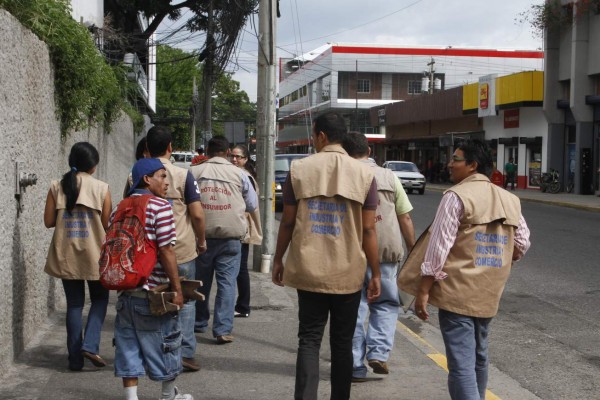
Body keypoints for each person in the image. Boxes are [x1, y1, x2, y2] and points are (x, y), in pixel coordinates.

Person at [404, 139, 531, 400]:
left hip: (456, 292)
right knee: (479, 357)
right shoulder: (510, 200)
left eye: (456, 159)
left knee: (461, 363)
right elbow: (521, 243)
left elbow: (440, 245)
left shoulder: (456, 196)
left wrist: (424, 290)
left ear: (472, 165)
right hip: (489, 292)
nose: (450, 164)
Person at [272, 112, 382, 400]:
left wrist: (277, 259)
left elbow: (287, 221)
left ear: (321, 136)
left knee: (308, 339)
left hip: (309, 269)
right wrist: (376, 272)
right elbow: (369, 229)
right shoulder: (365, 174)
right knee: (343, 343)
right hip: (348, 272)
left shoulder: (299, 169)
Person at [113, 158, 192, 400]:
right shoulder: (160, 207)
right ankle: (168, 396)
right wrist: (177, 288)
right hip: (153, 292)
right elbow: (166, 250)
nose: (167, 182)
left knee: (127, 345)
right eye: (161, 176)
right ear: (146, 179)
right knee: (167, 341)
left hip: (126, 293)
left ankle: (131, 397)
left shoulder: (121, 206)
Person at [342, 132, 416, 381]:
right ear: (370, 152)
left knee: (354, 308)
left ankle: (355, 366)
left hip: (350, 253)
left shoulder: (343, 176)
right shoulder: (388, 176)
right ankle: (379, 354)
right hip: (386, 253)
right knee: (385, 304)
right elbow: (404, 216)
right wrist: (413, 249)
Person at [44, 142, 112, 371]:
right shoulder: (102, 188)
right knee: (100, 300)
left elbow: (48, 222)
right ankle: (90, 345)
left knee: (74, 304)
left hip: (66, 253)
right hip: (96, 254)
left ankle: (74, 359)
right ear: (93, 166)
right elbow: (107, 225)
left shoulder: (56, 186)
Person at [146, 126, 207, 372]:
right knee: (187, 301)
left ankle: (154, 350)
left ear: (147, 149)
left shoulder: (138, 174)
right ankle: (185, 352)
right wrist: (201, 241)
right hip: (181, 249)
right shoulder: (183, 176)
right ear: (170, 147)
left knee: (152, 299)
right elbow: (197, 215)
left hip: (149, 251)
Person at [190, 136, 258, 344]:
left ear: (207, 152)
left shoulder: (193, 172)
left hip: (202, 236)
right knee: (227, 284)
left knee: (201, 281)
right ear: (227, 153)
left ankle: (200, 321)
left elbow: (187, 202)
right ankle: (222, 329)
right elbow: (251, 203)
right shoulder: (240, 174)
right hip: (231, 237)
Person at [230, 144, 262, 318]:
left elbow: (251, 205)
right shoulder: (240, 174)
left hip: (242, 225)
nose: (234, 160)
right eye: (232, 156)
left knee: (241, 268)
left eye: (238, 157)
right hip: (240, 224)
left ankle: (243, 306)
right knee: (239, 267)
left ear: (246, 159)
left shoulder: (245, 176)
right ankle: (242, 305)